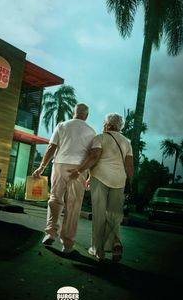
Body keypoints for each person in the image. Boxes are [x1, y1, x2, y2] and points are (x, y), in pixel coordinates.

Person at [69, 112, 134, 262]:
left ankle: (98, 250)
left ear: (107, 124)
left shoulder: (100, 137)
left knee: (99, 214)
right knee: (113, 215)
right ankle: (114, 242)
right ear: (120, 126)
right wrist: (130, 182)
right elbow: (129, 165)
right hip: (119, 180)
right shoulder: (126, 142)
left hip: (100, 178)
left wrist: (79, 171)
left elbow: (94, 157)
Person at [32, 103, 96, 253]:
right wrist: (89, 176)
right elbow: (93, 156)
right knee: (73, 206)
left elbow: (51, 147)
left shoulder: (62, 125)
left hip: (60, 165)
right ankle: (67, 244)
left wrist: (41, 166)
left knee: (55, 199)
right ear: (86, 115)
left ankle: (50, 233)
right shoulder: (92, 131)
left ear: (74, 112)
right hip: (79, 169)